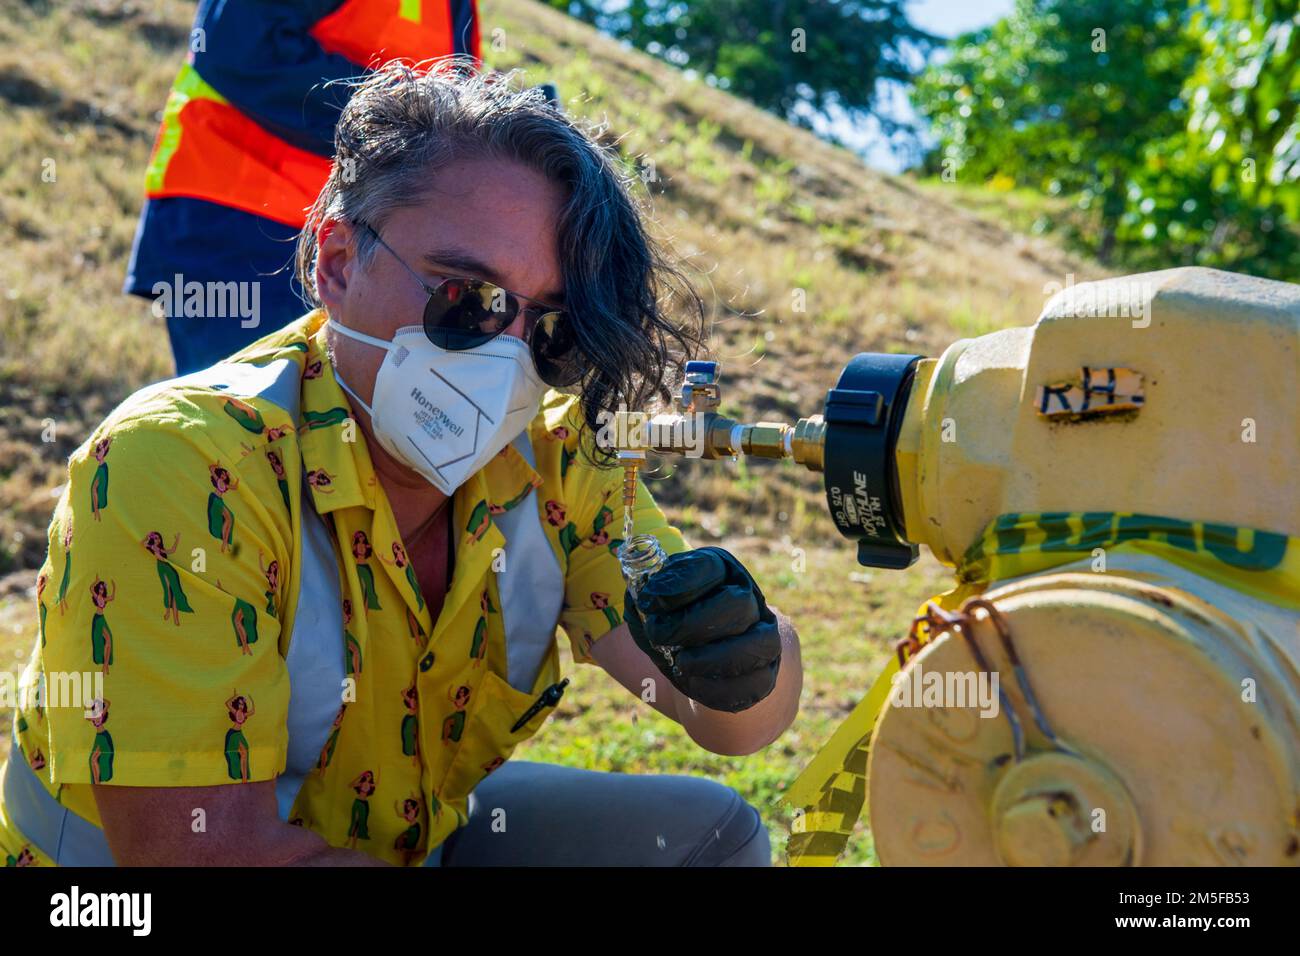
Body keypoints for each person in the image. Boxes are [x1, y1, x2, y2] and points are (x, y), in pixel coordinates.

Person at [0, 62, 802, 867]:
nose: (507, 356)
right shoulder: (179, 462)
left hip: (399, 842)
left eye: (554, 329)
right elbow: (203, 856)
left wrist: (744, 659)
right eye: (467, 300)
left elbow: (731, 723)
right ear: (338, 263)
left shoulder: (559, 453)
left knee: (712, 842)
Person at [125, 0, 481, 374]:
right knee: (248, 421)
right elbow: (240, 48)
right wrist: (410, 122)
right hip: (240, 225)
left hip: (342, 244)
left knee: (300, 424)